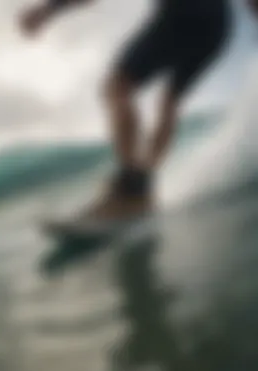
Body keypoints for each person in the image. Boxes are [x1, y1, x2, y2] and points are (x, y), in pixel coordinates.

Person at [18, 0, 239, 224]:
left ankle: (132, 190)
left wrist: (47, 11)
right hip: (219, 26)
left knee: (117, 86)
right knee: (170, 102)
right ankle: (143, 185)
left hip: (182, 12)